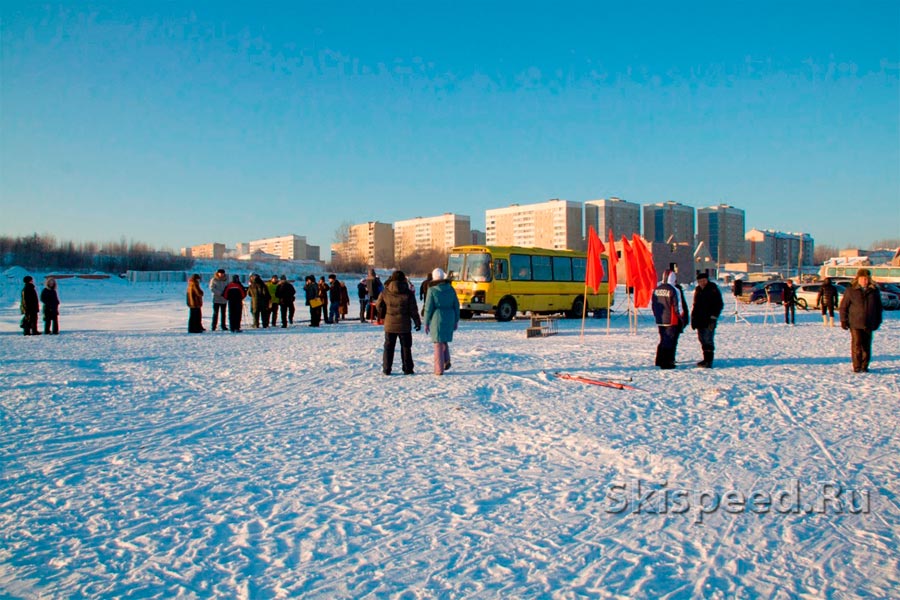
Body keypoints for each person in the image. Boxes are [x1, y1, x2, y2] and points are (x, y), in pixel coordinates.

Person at [376, 270, 421, 375]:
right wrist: (417, 322)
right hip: (404, 325)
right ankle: (407, 368)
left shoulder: (385, 292)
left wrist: (383, 314)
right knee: (406, 347)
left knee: (388, 347)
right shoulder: (408, 293)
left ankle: (387, 369)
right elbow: (413, 310)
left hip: (389, 324)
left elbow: (378, 305)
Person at [839, 268, 884, 373]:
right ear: (858, 279)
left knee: (867, 345)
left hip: (869, 322)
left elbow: (878, 307)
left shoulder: (874, 291)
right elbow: (843, 307)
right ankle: (857, 366)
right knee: (857, 344)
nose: (865, 281)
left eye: (867, 278)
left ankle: (865, 366)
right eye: (863, 278)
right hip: (855, 322)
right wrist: (843, 320)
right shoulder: (851, 291)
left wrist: (878, 320)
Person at [423, 268, 460, 376]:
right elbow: (456, 305)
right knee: (443, 339)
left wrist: (426, 322)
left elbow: (428, 307)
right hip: (450, 316)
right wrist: (456, 319)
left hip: (437, 317)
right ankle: (446, 360)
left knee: (438, 343)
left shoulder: (432, 290)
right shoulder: (451, 289)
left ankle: (439, 369)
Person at [651, 270, 689, 369]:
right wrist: (682, 319)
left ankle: (659, 360)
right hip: (671, 320)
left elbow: (653, 305)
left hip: (660, 320)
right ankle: (667, 362)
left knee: (663, 340)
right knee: (670, 341)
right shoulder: (674, 290)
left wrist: (657, 316)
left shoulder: (656, 289)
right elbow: (678, 307)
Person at [690, 270, 724, 368]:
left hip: (709, 319)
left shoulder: (713, 289)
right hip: (699, 319)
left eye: (704, 280)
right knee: (702, 339)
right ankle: (705, 359)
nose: (702, 282)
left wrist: (713, 317)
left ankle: (709, 361)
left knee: (708, 339)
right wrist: (693, 319)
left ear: (707, 280)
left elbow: (719, 304)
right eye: (700, 281)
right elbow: (695, 305)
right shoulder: (698, 290)